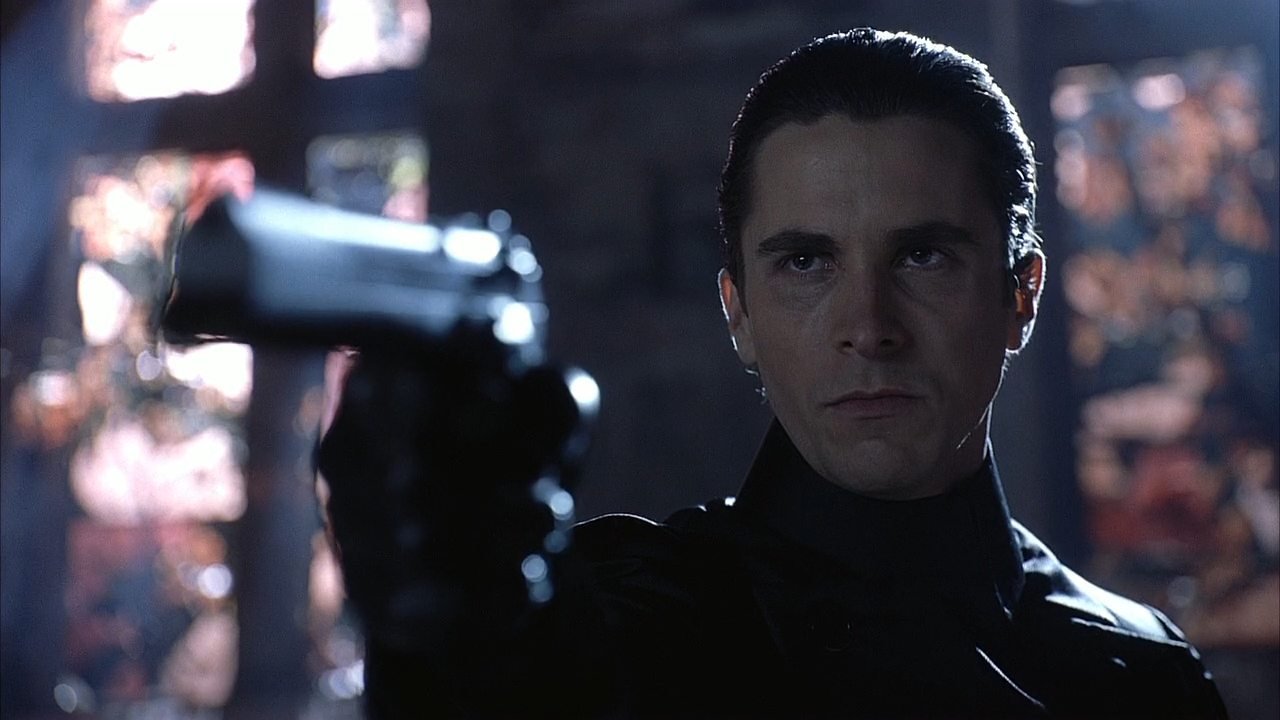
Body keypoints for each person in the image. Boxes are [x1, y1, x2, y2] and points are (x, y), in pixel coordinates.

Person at [318, 28, 1229, 718]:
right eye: (806, 263)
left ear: (1019, 294)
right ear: (739, 313)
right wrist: (435, 632)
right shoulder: (616, 628)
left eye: (922, 257)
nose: (868, 328)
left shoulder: (1141, 672)